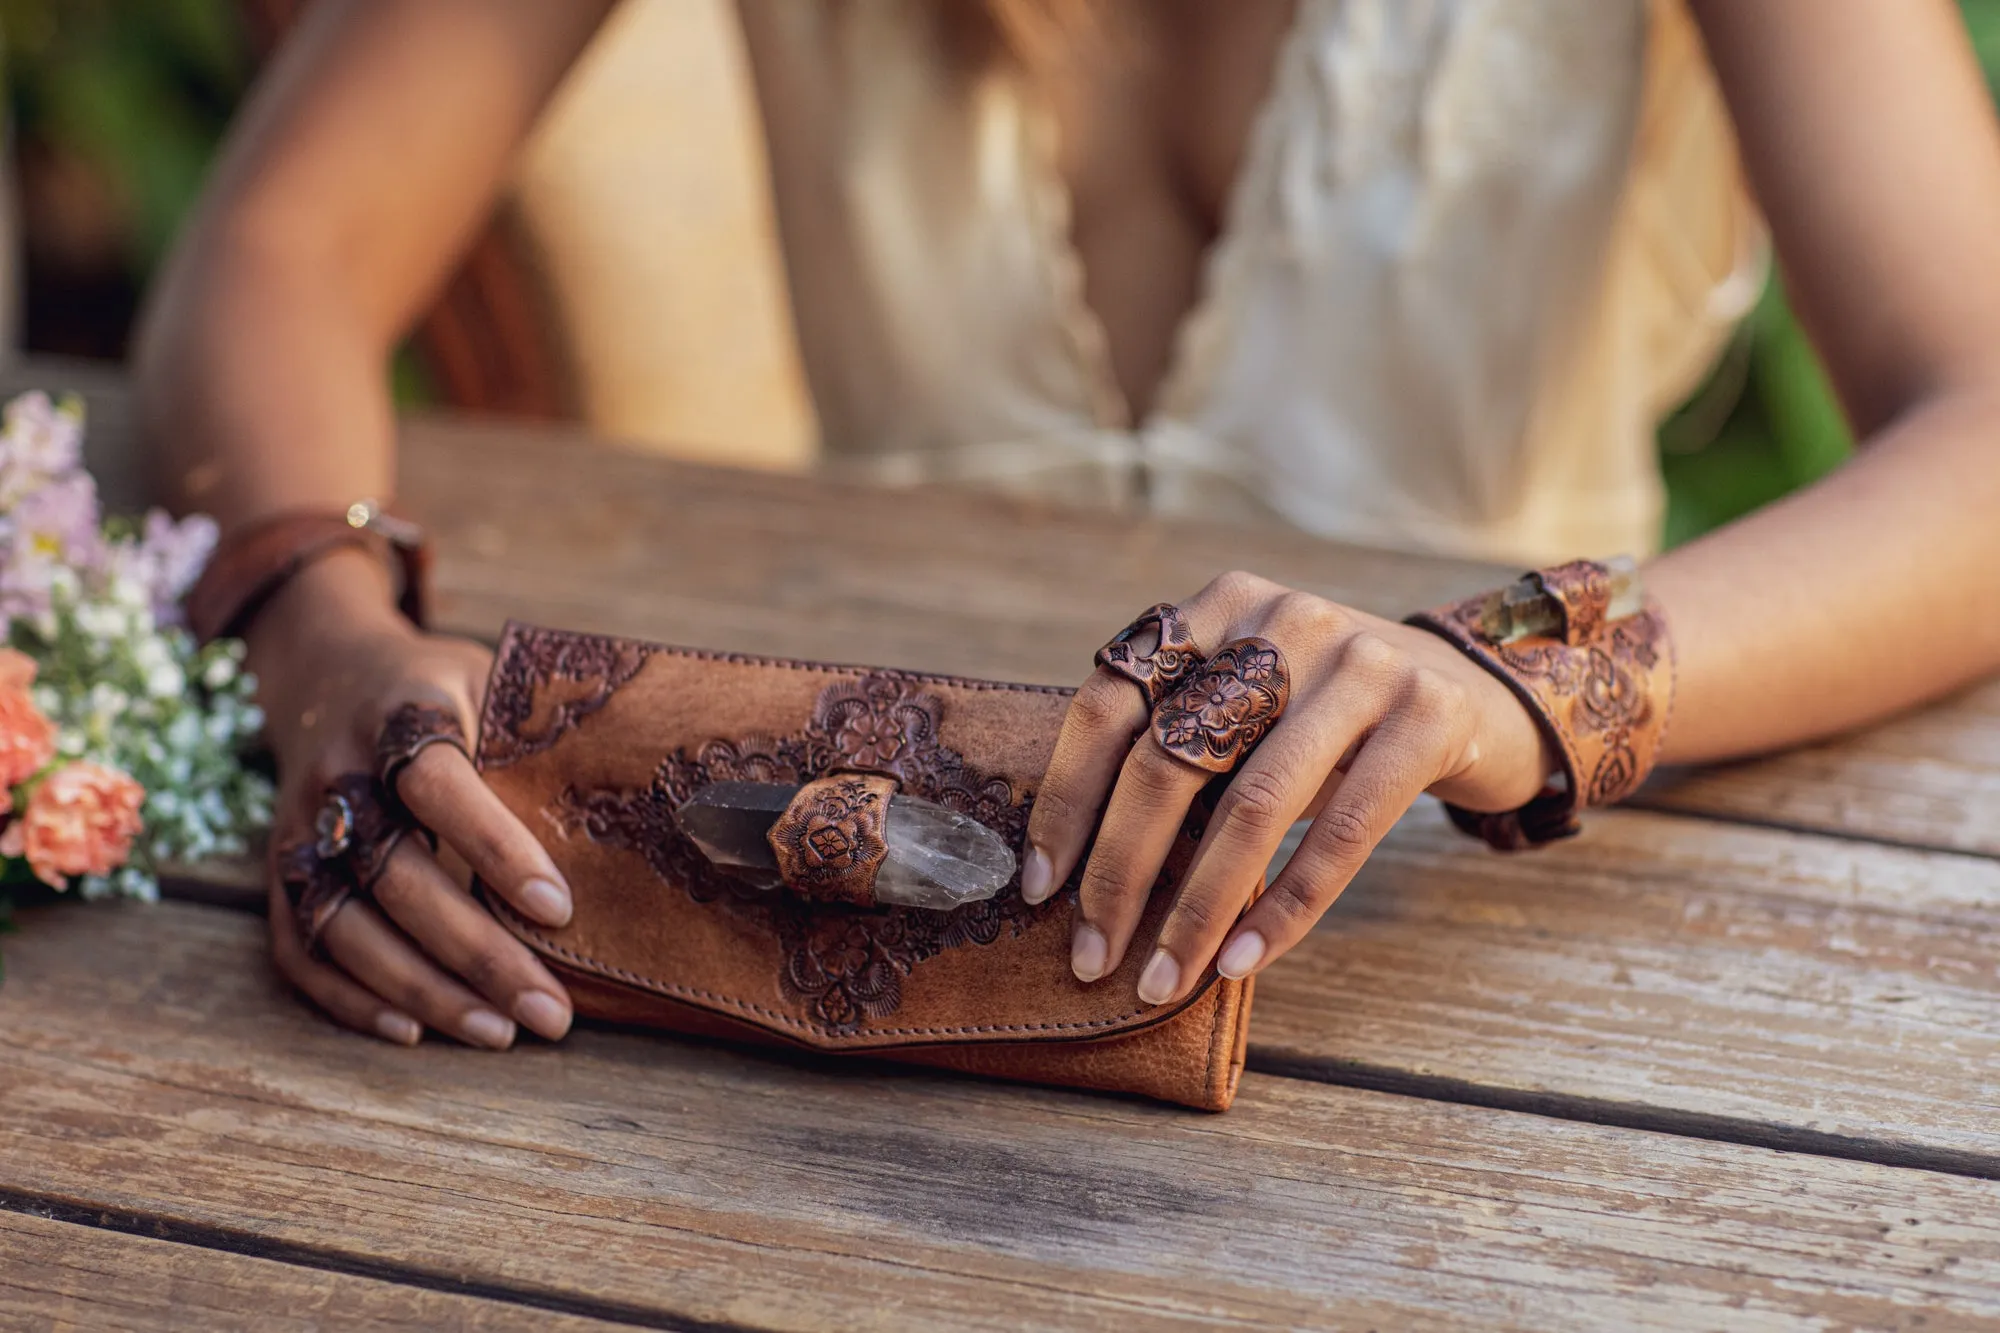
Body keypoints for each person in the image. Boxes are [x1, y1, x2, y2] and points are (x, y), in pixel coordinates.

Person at [136, 0, 2000, 1050]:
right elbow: (280, 249)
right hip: (779, 924)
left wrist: (1506, 679)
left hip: (1466, 954)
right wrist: (321, 626)